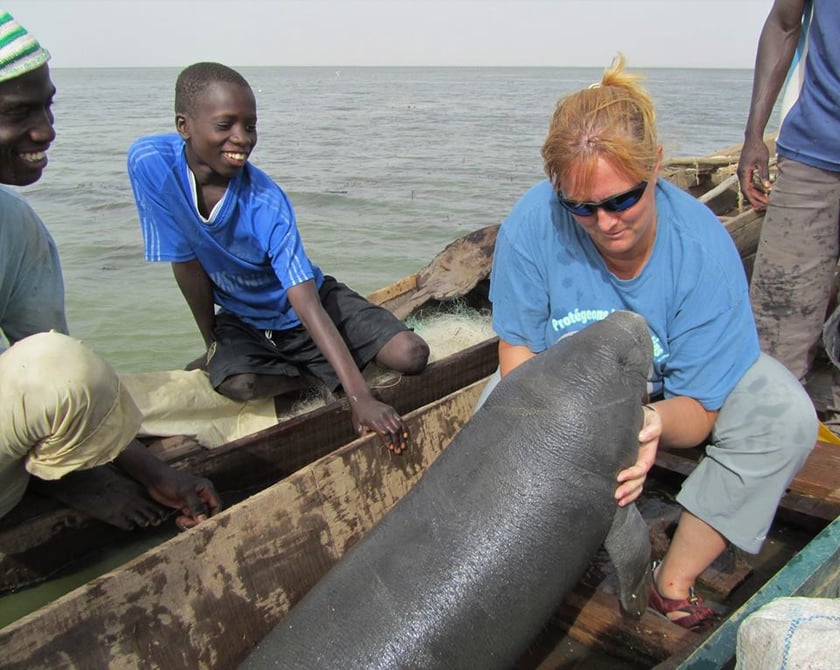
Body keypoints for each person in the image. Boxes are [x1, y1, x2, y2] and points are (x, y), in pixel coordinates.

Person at [483, 55, 816, 631]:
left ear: (657, 168)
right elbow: (517, 358)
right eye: (581, 208)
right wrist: (567, 432)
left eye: (621, 200)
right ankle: (543, 562)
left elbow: (698, 413)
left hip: (669, 394)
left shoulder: (702, 252)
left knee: (783, 418)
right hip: (571, 390)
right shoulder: (531, 227)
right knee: (491, 419)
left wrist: (647, 424)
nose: (604, 222)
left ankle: (672, 582)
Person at [127, 62, 429, 454]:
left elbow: (305, 303)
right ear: (184, 125)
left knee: (411, 355)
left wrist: (360, 399)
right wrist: (212, 341)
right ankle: (312, 370)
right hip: (244, 318)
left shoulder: (266, 204)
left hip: (310, 304)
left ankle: (330, 369)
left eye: (249, 126)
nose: (242, 139)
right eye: (225, 125)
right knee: (238, 385)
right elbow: (185, 263)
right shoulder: (148, 162)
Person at [0, 9, 220, 530]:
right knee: (61, 366)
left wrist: (153, 472)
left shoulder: (16, 226)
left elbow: (45, 357)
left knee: (66, 364)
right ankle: (72, 476)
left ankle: (71, 472)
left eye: (48, 108)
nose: (46, 131)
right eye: (19, 112)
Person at [737, 0, 840, 434]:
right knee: (774, 338)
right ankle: (771, 441)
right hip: (815, 151)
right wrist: (753, 134)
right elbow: (783, 22)